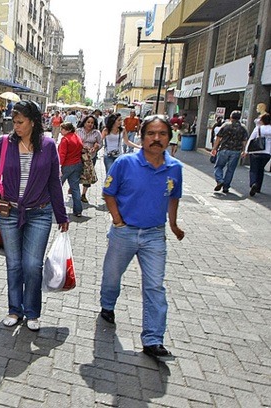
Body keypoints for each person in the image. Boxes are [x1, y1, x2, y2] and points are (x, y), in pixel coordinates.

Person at [100, 114, 185, 360]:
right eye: (151, 133)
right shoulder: (125, 163)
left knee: (155, 286)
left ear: (169, 138)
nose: (156, 139)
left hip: (154, 236)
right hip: (124, 233)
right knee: (112, 276)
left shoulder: (175, 168)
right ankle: (107, 305)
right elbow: (108, 193)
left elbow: (173, 197)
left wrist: (174, 224)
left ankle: (153, 339)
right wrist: (118, 221)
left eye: (162, 134)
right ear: (142, 135)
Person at [0, 100, 69, 332]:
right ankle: (14, 309)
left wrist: (61, 215)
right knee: (14, 264)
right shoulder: (5, 144)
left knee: (32, 265)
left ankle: (32, 312)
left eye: (20, 122)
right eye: (14, 122)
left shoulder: (48, 145)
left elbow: (54, 182)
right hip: (8, 212)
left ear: (33, 122)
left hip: (40, 213)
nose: (16, 126)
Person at [211, 110, 248, 194]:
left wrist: (214, 148)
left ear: (231, 117)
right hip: (236, 151)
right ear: (239, 118)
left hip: (224, 149)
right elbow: (244, 140)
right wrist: (244, 150)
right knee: (230, 169)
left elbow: (218, 137)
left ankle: (220, 180)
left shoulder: (225, 125)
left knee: (218, 166)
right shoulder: (243, 127)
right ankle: (226, 187)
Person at [58, 122, 83, 217]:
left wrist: (59, 165)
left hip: (67, 165)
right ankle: (78, 210)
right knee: (75, 188)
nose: (61, 131)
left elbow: (62, 154)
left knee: (57, 186)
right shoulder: (77, 137)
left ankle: (54, 207)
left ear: (68, 130)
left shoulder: (65, 139)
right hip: (77, 164)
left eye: (62, 129)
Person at [76, 114, 102, 203]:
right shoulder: (78, 131)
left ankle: (83, 194)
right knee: (76, 172)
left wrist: (95, 147)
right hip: (78, 155)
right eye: (88, 122)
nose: (90, 124)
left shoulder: (97, 133)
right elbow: (73, 141)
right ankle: (74, 188)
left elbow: (100, 143)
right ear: (84, 123)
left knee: (88, 175)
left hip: (91, 157)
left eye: (92, 123)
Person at [245, 113, 271, 196]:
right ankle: (258, 187)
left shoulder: (258, 128)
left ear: (262, 120)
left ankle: (253, 183)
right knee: (261, 169)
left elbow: (251, 139)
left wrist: (246, 151)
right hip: (267, 153)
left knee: (253, 169)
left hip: (256, 152)